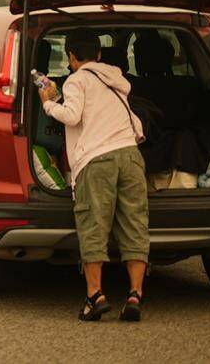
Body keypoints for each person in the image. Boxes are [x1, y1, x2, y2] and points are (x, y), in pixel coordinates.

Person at [37, 29, 149, 322]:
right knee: (135, 224)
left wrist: (49, 103)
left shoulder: (76, 80)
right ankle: (135, 294)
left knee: (94, 226)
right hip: (130, 155)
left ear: (72, 57)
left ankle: (95, 296)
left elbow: (72, 116)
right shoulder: (117, 79)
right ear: (99, 54)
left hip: (97, 160)